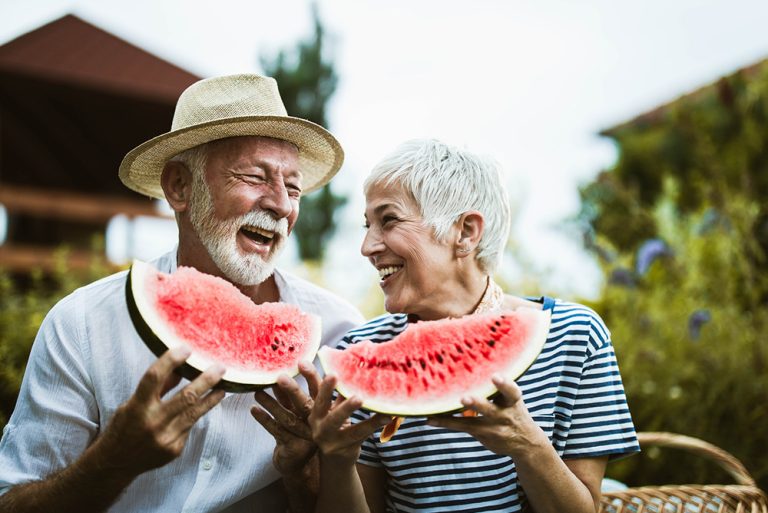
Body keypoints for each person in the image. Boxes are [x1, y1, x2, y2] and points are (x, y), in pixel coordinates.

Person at [0, 74, 364, 513]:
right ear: (179, 187)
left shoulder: (340, 333)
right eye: (254, 177)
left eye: (293, 187)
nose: (282, 205)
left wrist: (305, 479)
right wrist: (111, 462)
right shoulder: (82, 324)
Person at [274, 139, 640, 512]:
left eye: (389, 220)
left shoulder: (575, 335)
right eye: (368, 225)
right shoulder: (360, 351)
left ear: (465, 232)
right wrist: (337, 460)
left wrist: (528, 445)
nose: (367, 247)